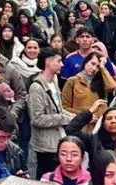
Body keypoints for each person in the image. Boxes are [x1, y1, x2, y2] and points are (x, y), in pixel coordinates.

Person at [29, 47, 72, 178]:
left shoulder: (54, 81)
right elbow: (37, 119)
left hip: (57, 140)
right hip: (45, 146)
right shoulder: (36, 87)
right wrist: (63, 118)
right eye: (59, 61)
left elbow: (57, 107)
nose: (62, 64)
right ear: (48, 62)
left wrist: (68, 115)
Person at [61, 51, 115, 120]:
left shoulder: (102, 81)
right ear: (86, 62)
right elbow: (65, 107)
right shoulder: (72, 81)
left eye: (97, 66)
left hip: (98, 124)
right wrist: (86, 115)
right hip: (81, 124)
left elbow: (112, 87)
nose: (94, 68)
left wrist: (102, 67)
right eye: (92, 64)